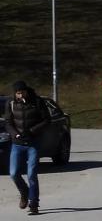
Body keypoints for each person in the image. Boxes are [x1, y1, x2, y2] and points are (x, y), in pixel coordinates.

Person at [5, 80, 50, 214]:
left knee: (31, 174)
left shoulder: (37, 101)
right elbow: (8, 122)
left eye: (22, 92)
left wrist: (31, 131)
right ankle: (24, 191)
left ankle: (34, 203)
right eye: (18, 93)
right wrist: (15, 134)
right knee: (13, 174)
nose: (21, 95)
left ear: (26, 90)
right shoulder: (11, 103)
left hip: (33, 143)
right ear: (15, 93)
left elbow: (47, 120)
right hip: (17, 144)